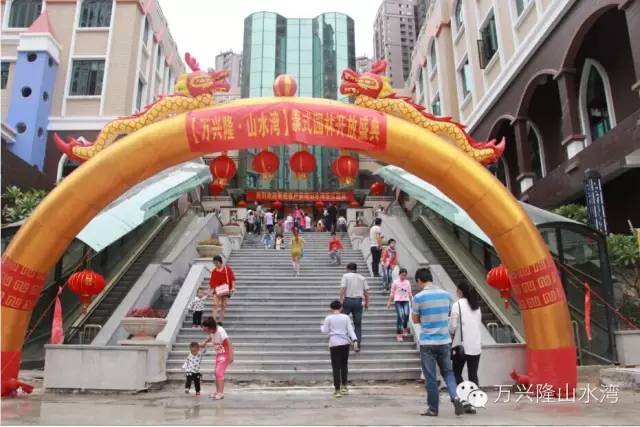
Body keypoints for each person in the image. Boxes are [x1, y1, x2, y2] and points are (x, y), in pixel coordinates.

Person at [412, 268, 464, 417]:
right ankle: (455, 397)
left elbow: (415, 320)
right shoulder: (446, 295)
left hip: (427, 342)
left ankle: (433, 409)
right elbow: (450, 314)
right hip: (444, 341)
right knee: (448, 373)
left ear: (419, 281)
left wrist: (426, 318)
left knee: (430, 377)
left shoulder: (418, 297)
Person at [450, 280, 482, 408]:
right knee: (473, 375)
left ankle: (464, 399)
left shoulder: (457, 305)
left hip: (461, 346)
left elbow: (452, 327)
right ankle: (474, 403)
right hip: (475, 345)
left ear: (460, 291)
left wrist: (451, 334)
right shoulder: (476, 306)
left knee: (456, 373)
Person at [321, 300, 357, 398]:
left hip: (334, 343)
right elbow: (350, 329)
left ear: (331, 308)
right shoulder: (346, 317)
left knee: (336, 367)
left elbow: (325, 331)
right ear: (341, 308)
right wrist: (355, 339)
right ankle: (344, 386)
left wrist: (322, 326)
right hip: (345, 342)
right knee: (344, 365)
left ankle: (337, 390)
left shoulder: (328, 318)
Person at [200, 317, 234, 400]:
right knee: (217, 373)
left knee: (219, 372)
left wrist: (231, 355)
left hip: (225, 354)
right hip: (219, 354)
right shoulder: (212, 331)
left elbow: (229, 343)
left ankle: (221, 393)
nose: (206, 331)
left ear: (211, 327)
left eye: (206, 330)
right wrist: (204, 342)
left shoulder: (220, 331)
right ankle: (217, 391)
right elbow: (210, 336)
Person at [339, 263, 369, 352]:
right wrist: (367, 303)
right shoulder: (362, 278)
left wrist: (341, 301)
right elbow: (366, 292)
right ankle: (357, 343)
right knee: (358, 324)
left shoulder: (346, 276)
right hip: (358, 302)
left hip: (347, 300)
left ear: (348, 269)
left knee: (343, 321)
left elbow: (343, 289)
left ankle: (344, 341)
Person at [386, 268, 413, 341]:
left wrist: (412, 302)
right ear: (399, 274)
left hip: (406, 300)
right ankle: (399, 333)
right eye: (402, 275)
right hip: (398, 301)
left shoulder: (407, 282)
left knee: (406, 314)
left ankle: (405, 328)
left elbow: (410, 292)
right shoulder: (395, 282)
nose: (403, 277)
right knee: (400, 316)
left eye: (405, 275)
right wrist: (389, 302)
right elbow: (392, 293)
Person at [208, 255, 236, 325]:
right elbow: (212, 282)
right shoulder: (214, 271)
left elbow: (232, 278)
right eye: (214, 263)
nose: (215, 264)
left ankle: (220, 320)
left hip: (225, 289)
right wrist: (210, 291)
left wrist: (233, 287)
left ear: (220, 262)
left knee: (223, 305)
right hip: (217, 290)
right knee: (215, 305)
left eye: (217, 263)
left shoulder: (227, 269)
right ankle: (213, 322)